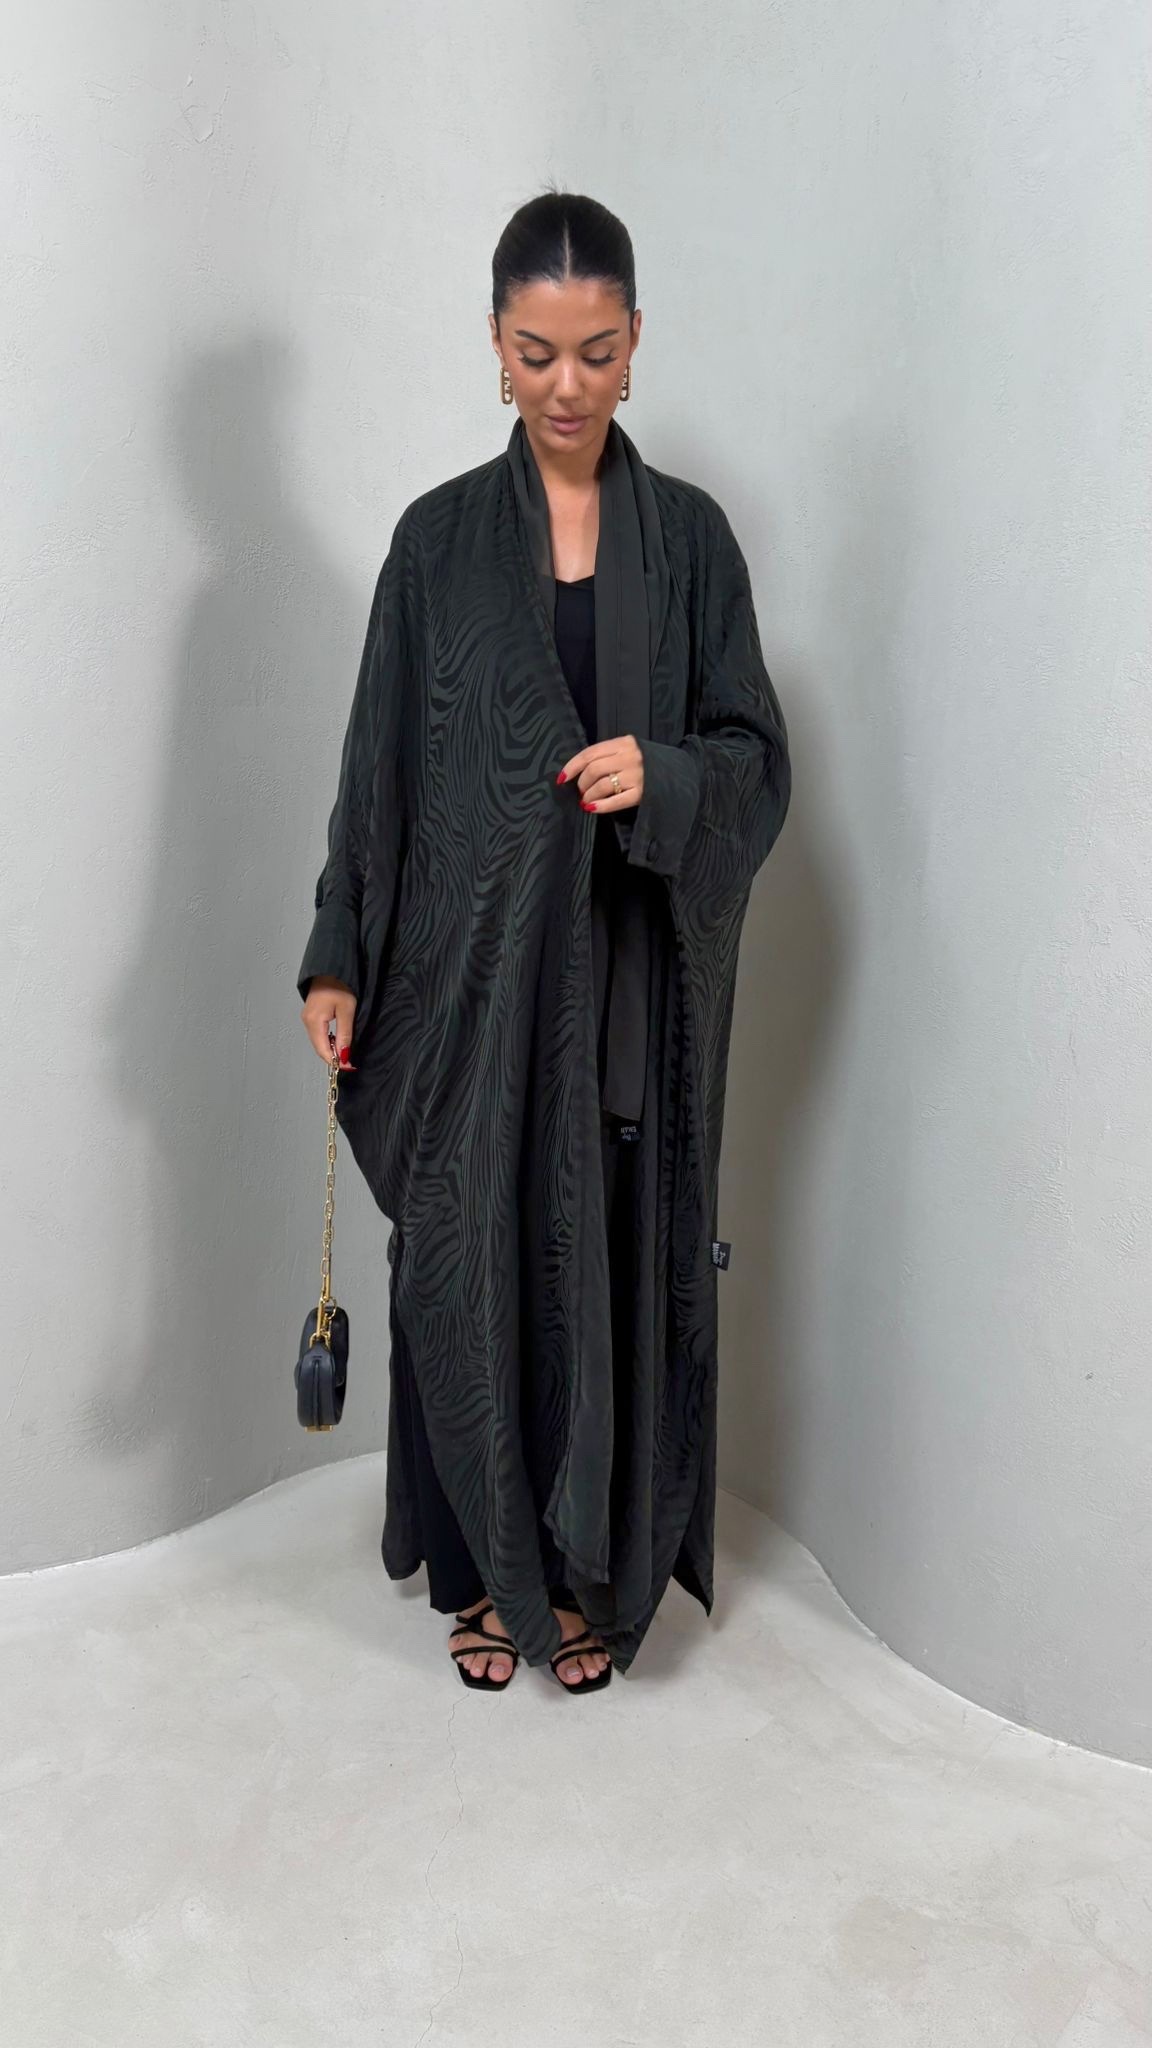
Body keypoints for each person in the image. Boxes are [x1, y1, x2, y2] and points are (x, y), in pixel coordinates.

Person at [297, 188, 791, 1694]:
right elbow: (378, 766)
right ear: (495, 346)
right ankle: (479, 1578)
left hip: (627, 988)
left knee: (605, 1261)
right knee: (470, 1257)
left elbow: (757, 761)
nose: (565, 386)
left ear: (636, 343)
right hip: (467, 988)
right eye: (535, 353)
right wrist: (338, 952)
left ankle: (586, 1577)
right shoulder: (436, 542)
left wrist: (671, 776)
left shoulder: (690, 542)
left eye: (595, 352)